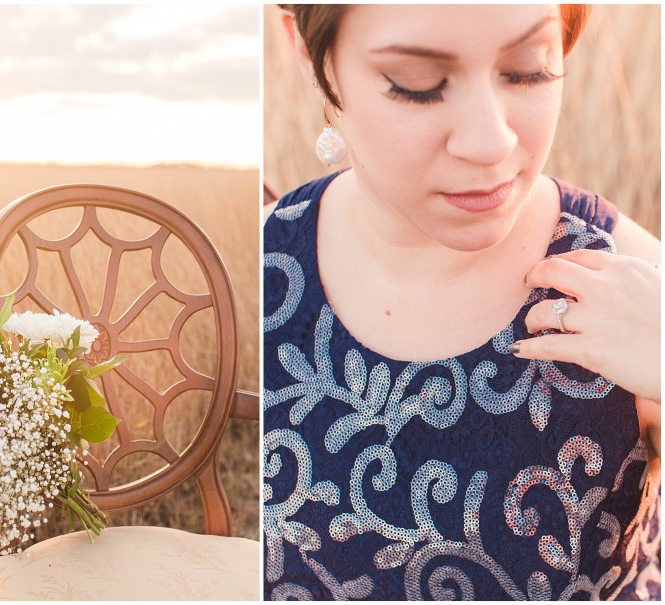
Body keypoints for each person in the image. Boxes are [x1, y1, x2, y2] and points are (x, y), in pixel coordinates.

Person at [263, 5, 660, 601]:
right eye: (417, 84)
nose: (489, 141)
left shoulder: (630, 278)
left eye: (527, 70)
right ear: (315, 57)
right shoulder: (263, 266)